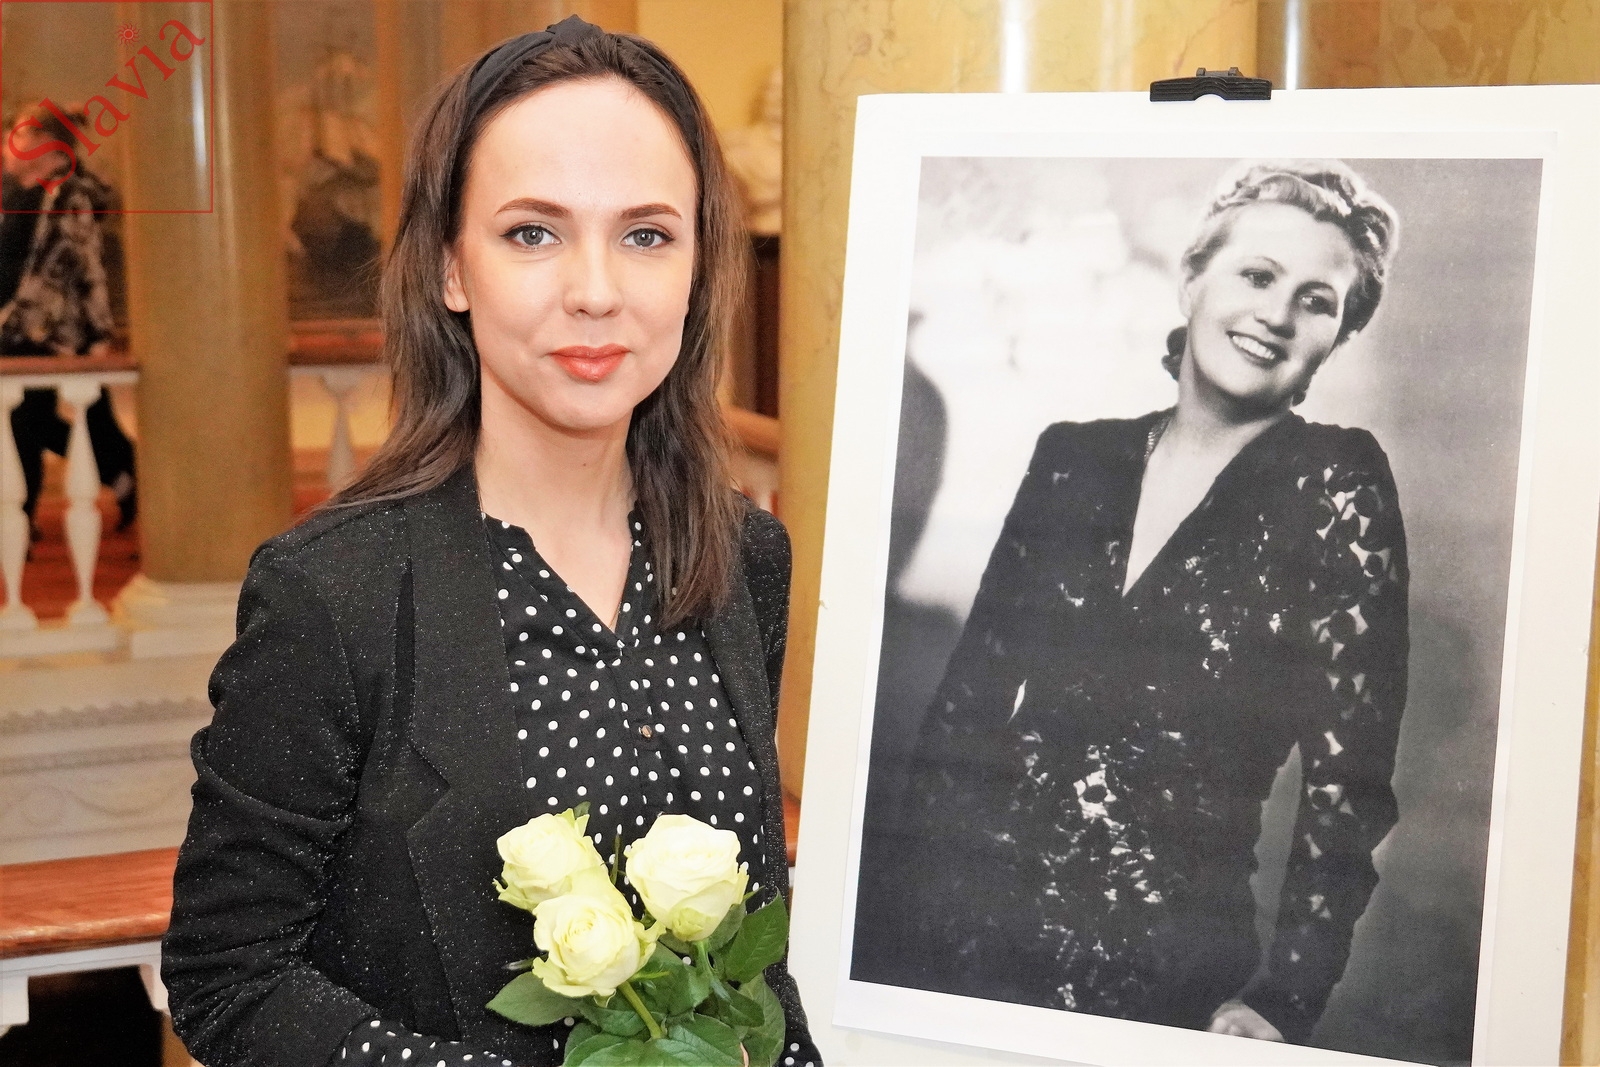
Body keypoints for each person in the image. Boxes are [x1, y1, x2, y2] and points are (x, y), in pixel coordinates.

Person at [161, 18, 819, 1067]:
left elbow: (750, 966)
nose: (595, 290)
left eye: (647, 235)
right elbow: (228, 975)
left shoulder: (744, 559)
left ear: (700, 268)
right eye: (532, 233)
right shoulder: (334, 594)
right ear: (450, 268)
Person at [895, 160, 1409, 1045]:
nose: (1277, 314)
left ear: (1340, 334)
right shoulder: (1072, 459)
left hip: (1172, 985)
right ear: (1193, 278)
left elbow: (1348, 786)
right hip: (977, 954)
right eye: (1257, 275)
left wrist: (1282, 998)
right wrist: (912, 944)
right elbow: (963, 716)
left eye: (1317, 301)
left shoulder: (1337, 485)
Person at [1, 101, 137, 531]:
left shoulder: (70, 194)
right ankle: (126, 475)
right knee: (40, 421)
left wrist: (98, 335)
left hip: (49, 332)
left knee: (28, 422)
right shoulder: (30, 192)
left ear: (45, 143)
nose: (8, 144)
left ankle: (20, 522)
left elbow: (87, 269)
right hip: (28, 328)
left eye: (19, 134)